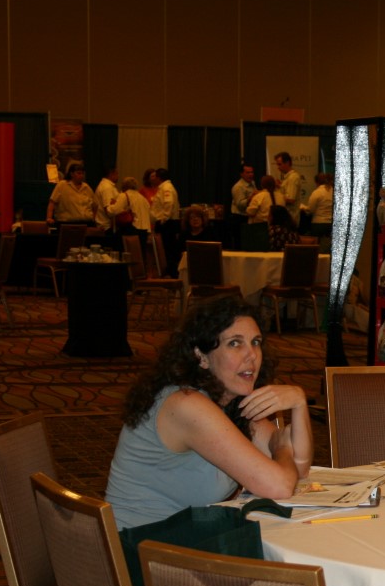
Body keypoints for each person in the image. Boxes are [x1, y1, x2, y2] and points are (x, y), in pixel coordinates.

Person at [105, 295, 312, 530]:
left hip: (177, 537)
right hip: (138, 543)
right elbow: (279, 486)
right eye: (235, 343)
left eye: (255, 342)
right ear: (201, 356)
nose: (252, 355)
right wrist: (282, 448)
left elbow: (299, 469)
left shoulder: (231, 403)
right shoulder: (186, 404)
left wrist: (299, 402)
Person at [149, 168, 181, 276]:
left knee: (167, 250)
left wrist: (164, 219)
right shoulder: (164, 187)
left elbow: (169, 203)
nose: (152, 179)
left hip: (167, 224)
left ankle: (171, 274)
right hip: (166, 223)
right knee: (166, 250)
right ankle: (168, 273)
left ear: (159, 178)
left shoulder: (166, 188)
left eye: (154, 176)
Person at [46, 162, 96, 228]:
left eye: (83, 173)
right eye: (79, 173)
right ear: (71, 174)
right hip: (67, 223)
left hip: (86, 223)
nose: (81, 176)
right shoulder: (62, 185)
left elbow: (95, 205)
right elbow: (52, 202)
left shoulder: (86, 187)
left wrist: (93, 219)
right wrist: (49, 218)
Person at [107, 176, 153, 244]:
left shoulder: (125, 195)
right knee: (140, 250)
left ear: (124, 187)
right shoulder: (143, 198)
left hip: (132, 230)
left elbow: (113, 211)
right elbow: (151, 216)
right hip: (144, 232)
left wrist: (109, 206)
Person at [273, 151, 305, 229]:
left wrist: (275, 196)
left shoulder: (293, 178)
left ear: (287, 163)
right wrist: (280, 187)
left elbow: (290, 199)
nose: (278, 167)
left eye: (279, 164)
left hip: (290, 218)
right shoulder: (288, 177)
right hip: (287, 218)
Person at [303, 172, 333, 252]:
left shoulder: (317, 192)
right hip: (332, 223)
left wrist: (303, 208)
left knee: (316, 249)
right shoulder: (334, 191)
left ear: (316, 182)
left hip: (318, 224)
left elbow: (310, 210)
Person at [229, 163, 256, 249]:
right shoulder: (238, 187)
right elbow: (240, 205)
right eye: (248, 172)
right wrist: (251, 198)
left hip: (248, 218)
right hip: (239, 218)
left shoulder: (253, 183)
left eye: (252, 172)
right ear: (241, 174)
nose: (251, 174)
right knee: (240, 245)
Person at [94, 165, 120, 235]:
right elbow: (109, 210)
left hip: (107, 226)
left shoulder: (107, 186)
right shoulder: (107, 188)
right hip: (106, 227)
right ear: (111, 174)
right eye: (117, 173)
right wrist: (119, 206)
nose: (118, 176)